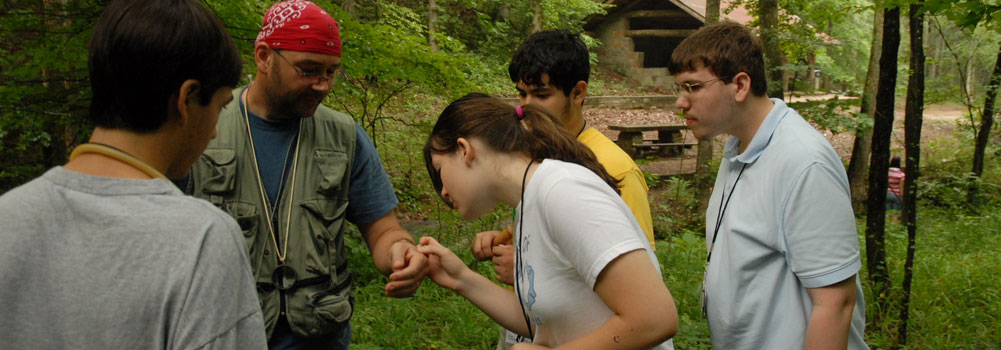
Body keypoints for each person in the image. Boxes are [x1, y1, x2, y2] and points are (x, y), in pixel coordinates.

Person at [0, 0, 267, 348]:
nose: (215, 131)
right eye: (220, 107)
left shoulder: (9, 217)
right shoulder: (202, 238)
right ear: (187, 99)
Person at [180, 1, 426, 348]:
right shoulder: (207, 125)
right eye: (309, 70)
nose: (322, 85)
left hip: (321, 336)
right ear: (264, 57)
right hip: (227, 334)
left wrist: (401, 253)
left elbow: (383, 228)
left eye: (331, 72)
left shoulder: (344, 136)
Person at [419, 93, 678, 349]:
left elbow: (654, 318)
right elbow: (546, 323)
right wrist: (461, 278)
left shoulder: (564, 192)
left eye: (440, 170)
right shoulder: (528, 205)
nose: (442, 191)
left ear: (465, 150)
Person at [668, 21, 868, 349]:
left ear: (740, 85)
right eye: (679, 88)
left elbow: (835, 304)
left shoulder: (803, 162)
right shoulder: (738, 148)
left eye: (692, 87)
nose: (680, 102)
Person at [886, 156, 905, 221]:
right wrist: (902, 197)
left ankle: (887, 226)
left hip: (887, 194)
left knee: (888, 212)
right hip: (896, 195)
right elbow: (901, 187)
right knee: (896, 213)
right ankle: (894, 227)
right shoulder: (901, 174)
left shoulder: (886, 172)